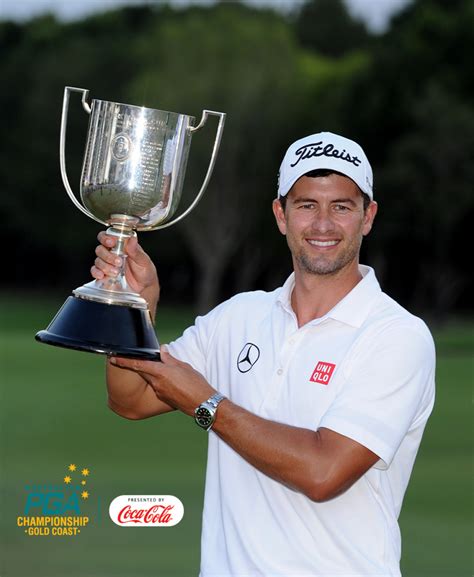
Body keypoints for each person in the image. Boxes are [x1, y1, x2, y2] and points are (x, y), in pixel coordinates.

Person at [92, 132, 436, 577]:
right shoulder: (239, 315)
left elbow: (323, 472)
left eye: (342, 207)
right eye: (307, 205)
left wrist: (205, 404)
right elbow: (130, 399)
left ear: (368, 217)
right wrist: (134, 309)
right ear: (281, 214)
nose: (323, 225)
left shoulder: (397, 335)